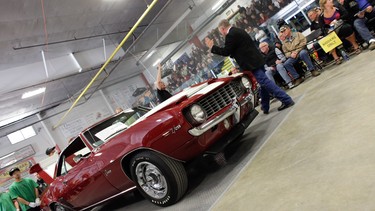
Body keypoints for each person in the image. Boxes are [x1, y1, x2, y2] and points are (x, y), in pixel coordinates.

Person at [205, 19, 295, 114]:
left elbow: (226, 51)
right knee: (262, 84)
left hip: (251, 64)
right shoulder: (238, 30)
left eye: (220, 32)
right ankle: (265, 107)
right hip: (257, 60)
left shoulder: (230, 35)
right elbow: (237, 49)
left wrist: (212, 48)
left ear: (223, 29)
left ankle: (286, 99)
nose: (221, 34)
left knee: (265, 82)